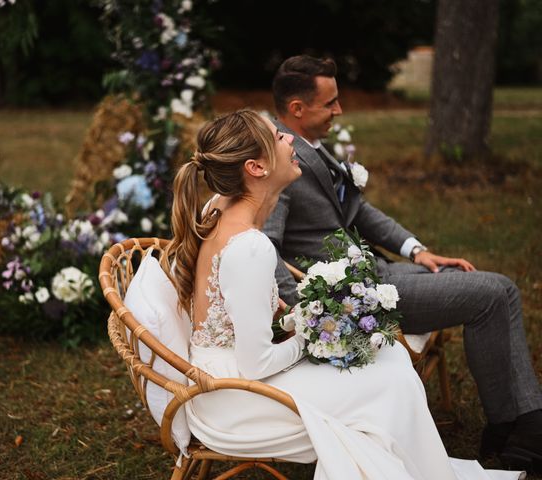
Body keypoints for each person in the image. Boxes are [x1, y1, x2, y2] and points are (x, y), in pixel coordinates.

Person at [166, 109, 523, 479]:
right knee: (391, 382)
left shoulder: (220, 205)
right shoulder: (250, 246)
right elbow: (256, 365)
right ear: (256, 168)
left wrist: (305, 320)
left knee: (390, 360)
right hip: (233, 398)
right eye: (278, 137)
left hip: (227, 372)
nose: (290, 139)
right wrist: (313, 334)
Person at [263, 54, 542, 472]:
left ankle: (513, 425)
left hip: (380, 270)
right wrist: (310, 309)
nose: (339, 110)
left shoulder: (311, 147)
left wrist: (416, 250)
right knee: (494, 291)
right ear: (298, 109)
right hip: (358, 297)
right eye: (330, 103)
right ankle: (522, 426)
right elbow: (266, 247)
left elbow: (360, 211)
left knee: (481, 284)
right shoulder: (280, 160)